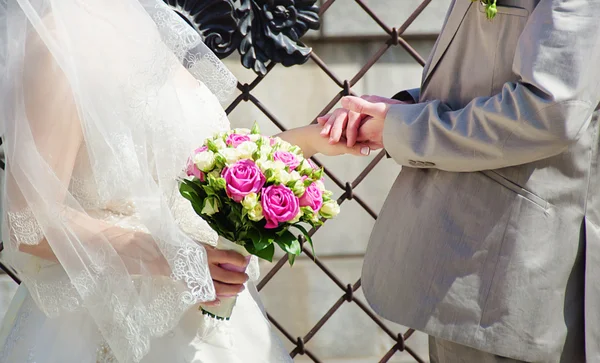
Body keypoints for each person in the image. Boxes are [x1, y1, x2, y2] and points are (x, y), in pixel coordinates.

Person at [0, 1, 365, 362]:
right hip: (110, 325)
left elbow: (201, 172)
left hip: (211, 318)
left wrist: (312, 140)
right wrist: (176, 259)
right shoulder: (57, 39)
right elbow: (30, 223)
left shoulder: (147, 23)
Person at [319, 0, 600, 362]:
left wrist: (404, 127)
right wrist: (399, 116)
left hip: (516, 276)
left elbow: (548, 112)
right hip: (475, 268)